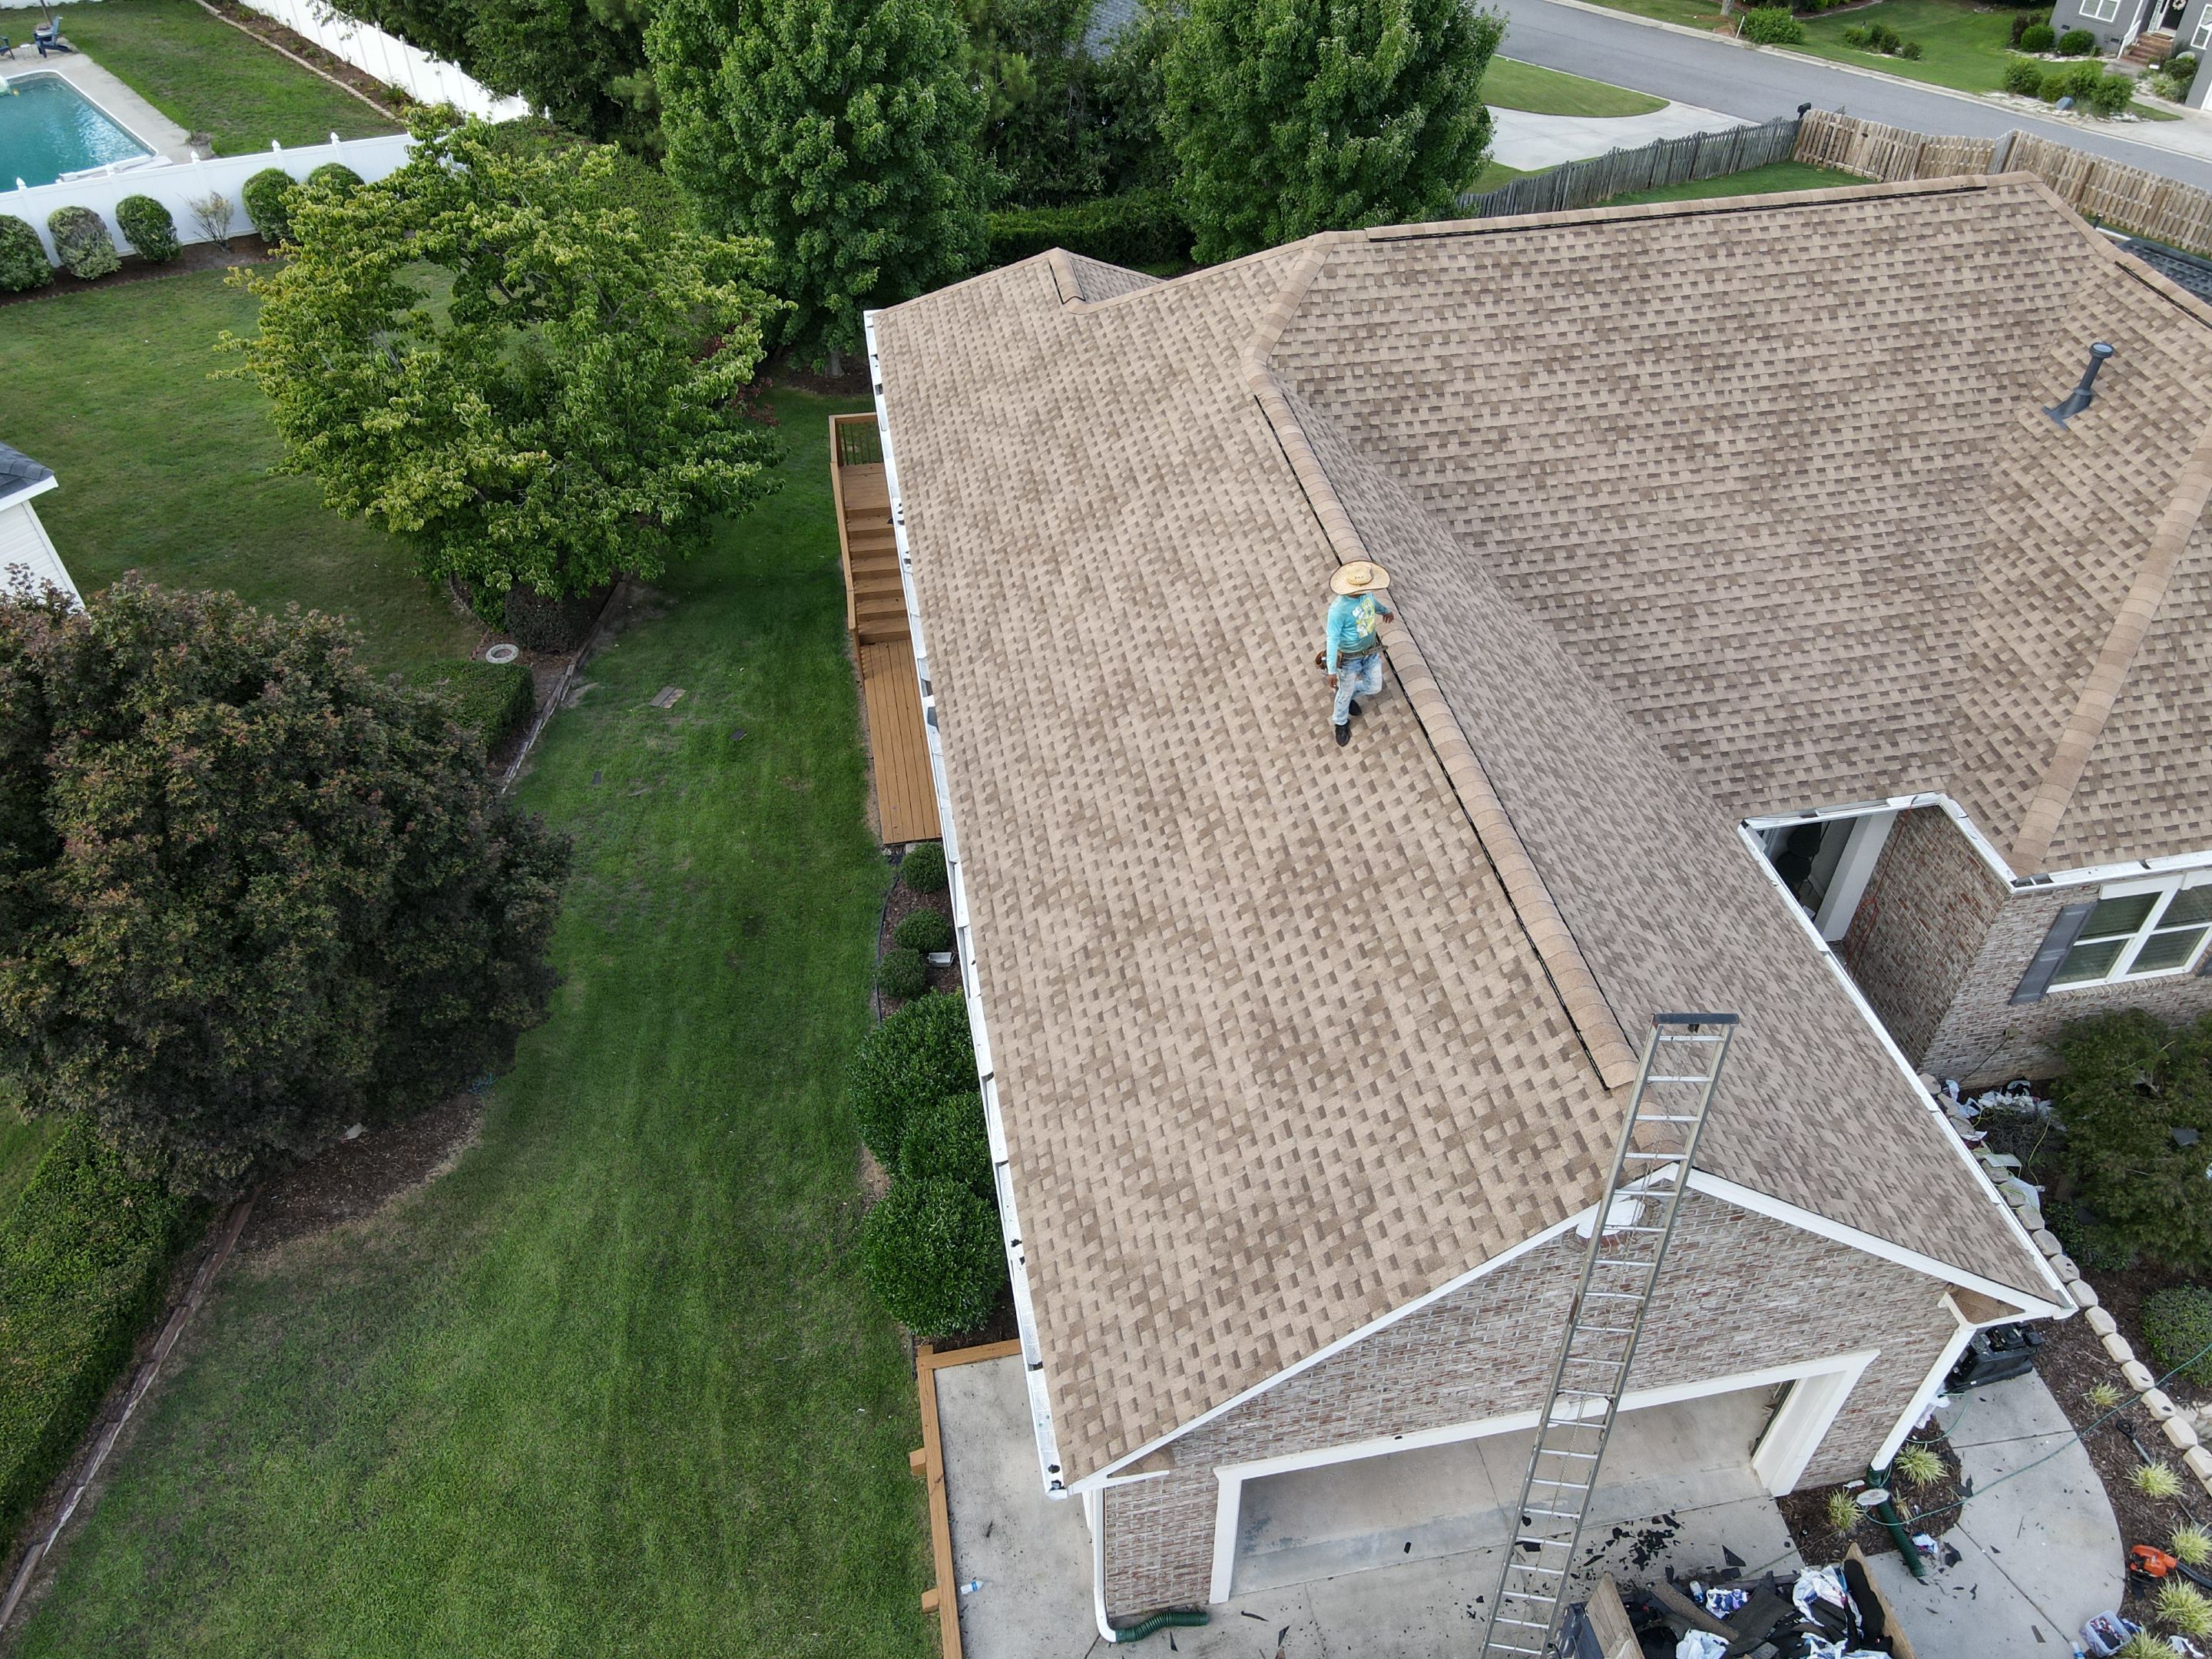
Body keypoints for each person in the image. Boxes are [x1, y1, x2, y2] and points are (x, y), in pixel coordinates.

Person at [1323, 561, 1392, 747]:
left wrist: (1385, 611)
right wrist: (1331, 670)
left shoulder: (1366, 594)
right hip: (1349, 660)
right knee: (1344, 695)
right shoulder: (1338, 610)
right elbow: (1332, 639)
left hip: (1370, 653)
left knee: (1375, 686)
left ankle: (1348, 695)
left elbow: (1372, 604)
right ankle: (1340, 721)